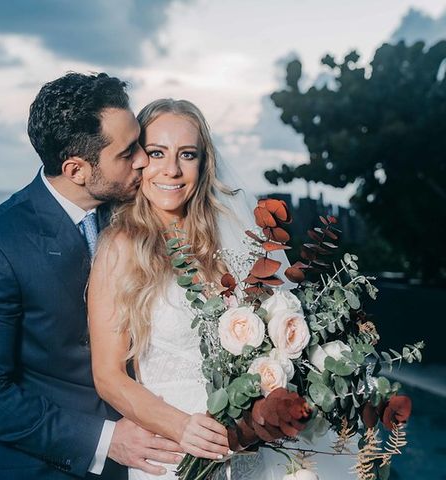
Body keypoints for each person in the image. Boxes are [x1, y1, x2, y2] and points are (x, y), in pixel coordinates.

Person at [0, 73, 183, 480]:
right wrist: (105, 440)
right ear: (76, 169)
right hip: (43, 467)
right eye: (128, 153)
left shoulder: (142, 209)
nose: (144, 160)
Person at [88, 99, 278, 479]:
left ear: (203, 163)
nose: (172, 170)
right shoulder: (121, 247)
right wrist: (183, 428)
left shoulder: (234, 244)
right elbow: (108, 376)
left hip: (248, 451)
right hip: (174, 453)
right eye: (157, 153)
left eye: (187, 155)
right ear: (138, 159)